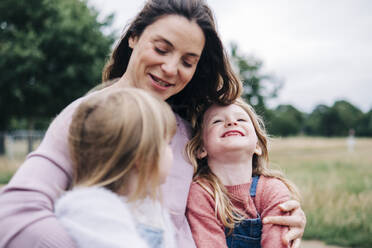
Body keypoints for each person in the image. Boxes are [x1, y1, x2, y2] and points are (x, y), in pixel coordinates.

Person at [0, 0, 305, 247]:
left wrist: (283, 218)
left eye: (188, 61)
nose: (171, 68)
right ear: (133, 36)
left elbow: (228, 201)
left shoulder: (187, 131)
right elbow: (14, 215)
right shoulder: (89, 116)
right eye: (161, 49)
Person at [55, 88, 176, 248]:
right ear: (142, 156)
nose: (172, 151)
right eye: (167, 144)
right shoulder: (91, 208)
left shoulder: (151, 208)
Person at [185, 98, 301, 247]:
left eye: (241, 119)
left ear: (257, 145)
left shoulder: (272, 189)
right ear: (201, 148)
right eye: (217, 121)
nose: (232, 122)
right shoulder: (201, 192)